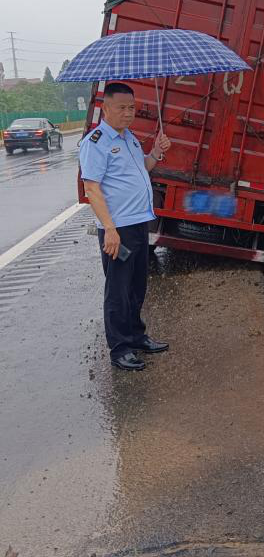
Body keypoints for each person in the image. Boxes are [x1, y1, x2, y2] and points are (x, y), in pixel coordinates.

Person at [79, 82, 172, 371]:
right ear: (105, 108)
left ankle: (136, 336)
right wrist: (109, 229)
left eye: (132, 107)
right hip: (117, 228)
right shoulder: (96, 143)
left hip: (138, 223)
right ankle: (120, 348)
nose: (128, 113)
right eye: (122, 107)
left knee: (136, 286)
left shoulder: (129, 137)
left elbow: (143, 167)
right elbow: (92, 189)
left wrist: (155, 152)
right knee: (118, 290)